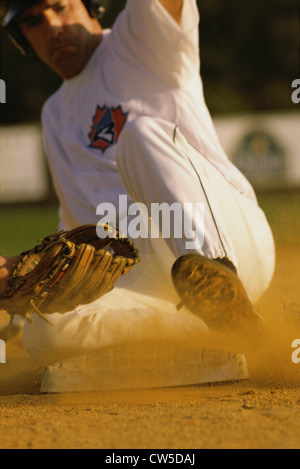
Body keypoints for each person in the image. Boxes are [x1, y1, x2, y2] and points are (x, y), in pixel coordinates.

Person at [1, 0, 275, 365]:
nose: (51, 26)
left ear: (89, 6)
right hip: (152, 280)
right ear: (22, 40)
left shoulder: (140, 40)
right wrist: (18, 268)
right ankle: (231, 330)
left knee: (139, 135)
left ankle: (217, 282)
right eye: (33, 21)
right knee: (45, 330)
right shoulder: (54, 114)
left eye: (60, 6)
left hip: (231, 239)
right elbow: (76, 229)